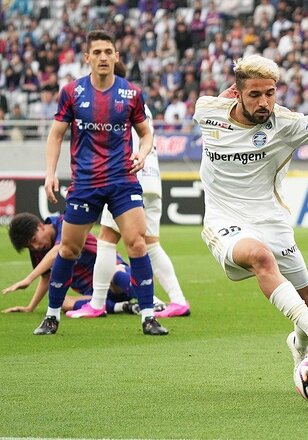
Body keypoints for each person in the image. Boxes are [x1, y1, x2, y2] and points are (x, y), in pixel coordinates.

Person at [193, 55, 308, 369]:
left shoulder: (285, 123)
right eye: (255, 94)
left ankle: (299, 343)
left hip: (272, 220)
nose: (264, 102)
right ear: (238, 92)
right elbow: (215, 107)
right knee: (260, 257)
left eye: (270, 93)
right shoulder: (207, 110)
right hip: (224, 220)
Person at [34, 29, 168, 336]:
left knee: (136, 243)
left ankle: (148, 316)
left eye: (109, 52)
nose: (104, 57)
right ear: (87, 58)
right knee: (68, 249)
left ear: (117, 56)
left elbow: (146, 132)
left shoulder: (131, 93)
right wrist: (50, 173)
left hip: (122, 180)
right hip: (85, 183)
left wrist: (143, 152)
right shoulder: (72, 92)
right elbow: (56, 135)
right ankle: (52, 315)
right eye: (97, 52)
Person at [67, 60, 190, 320]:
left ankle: (97, 302)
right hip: (152, 179)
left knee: (106, 239)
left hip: (126, 180)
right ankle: (178, 300)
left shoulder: (114, 104)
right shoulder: (139, 104)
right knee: (150, 242)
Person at [3, 213, 138, 315]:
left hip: (117, 279)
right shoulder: (40, 250)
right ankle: (124, 307)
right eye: (30, 246)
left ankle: (151, 302)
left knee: (113, 272)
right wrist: (30, 307)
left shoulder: (65, 223)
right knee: (59, 302)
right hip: (94, 293)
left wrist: (29, 279)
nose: (35, 247)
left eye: (34, 240)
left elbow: (59, 250)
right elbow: (46, 278)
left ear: (40, 226)